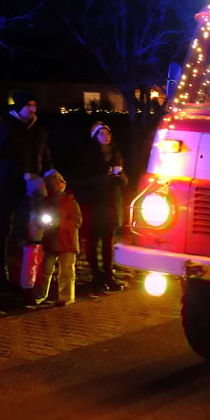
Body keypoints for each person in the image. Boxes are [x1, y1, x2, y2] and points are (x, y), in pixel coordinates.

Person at [0, 92, 54, 289]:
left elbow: (44, 153)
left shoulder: (38, 130)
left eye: (34, 105)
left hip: (32, 188)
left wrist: (50, 170)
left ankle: (21, 271)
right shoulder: (6, 126)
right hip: (8, 184)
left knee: (25, 227)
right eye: (28, 105)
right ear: (19, 107)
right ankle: (1, 269)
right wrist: (21, 172)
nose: (32, 109)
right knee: (4, 228)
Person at [73, 121, 128, 294]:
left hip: (112, 203)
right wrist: (102, 178)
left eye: (108, 134)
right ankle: (96, 276)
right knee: (93, 239)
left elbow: (125, 181)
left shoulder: (116, 154)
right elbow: (81, 181)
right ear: (95, 137)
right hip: (95, 203)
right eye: (101, 134)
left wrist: (121, 178)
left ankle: (108, 276)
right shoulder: (88, 156)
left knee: (108, 241)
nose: (105, 137)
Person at [34, 170, 81, 307]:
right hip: (50, 241)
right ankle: (39, 295)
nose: (59, 185)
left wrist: (59, 223)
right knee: (45, 270)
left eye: (61, 181)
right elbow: (39, 220)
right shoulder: (45, 202)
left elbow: (77, 222)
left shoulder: (70, 202)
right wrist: (42, 223)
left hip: (67, 242)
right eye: (55, 182)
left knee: (66, 272)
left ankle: (66, 296)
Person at [20, 175, 47, 306]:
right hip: (30, 242)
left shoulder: (39, 207)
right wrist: (23, 238)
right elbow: (21, 224)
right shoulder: (27, 209)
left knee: (35, 268)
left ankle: (34, 291)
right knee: (29, 268)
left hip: (38, 241)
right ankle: (28, 293)